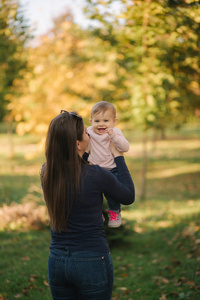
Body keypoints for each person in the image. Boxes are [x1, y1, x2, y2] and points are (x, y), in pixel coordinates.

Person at [40, 110, 135, 300]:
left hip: (57, 260)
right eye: (85, 133)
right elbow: (128, 196)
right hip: (91, 260)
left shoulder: (47, 172)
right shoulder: (96, 175)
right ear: (76, 143)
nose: (89, 134)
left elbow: (75, 173)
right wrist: (118, 156)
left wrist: (86, 154)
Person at [86, 101, 130, 228]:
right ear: (91, 121)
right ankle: (96, 213)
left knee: (112, 195)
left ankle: (115, 212)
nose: (101, 124)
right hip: (94, 169)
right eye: (97, 121)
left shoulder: (115, 132)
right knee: (92, 193)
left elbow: (125, 147)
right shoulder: (89, 131)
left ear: (114, 121)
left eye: (106, 121)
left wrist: (114, 138)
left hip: (112, 169)